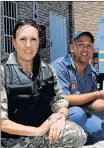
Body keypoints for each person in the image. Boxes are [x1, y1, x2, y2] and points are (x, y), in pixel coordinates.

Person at [1, 19, 87, 148]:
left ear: (39, 42)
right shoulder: (3, 71)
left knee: (76, 134)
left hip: (40, 134)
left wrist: (60, 117)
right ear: (14, 42)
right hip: (10, 141)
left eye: (33, 39)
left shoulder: (48, 70)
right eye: (23, 39)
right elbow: (2, 122)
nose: (28, 45)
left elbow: (59, 102)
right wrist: (38, 130)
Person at [51, 31, 104, 145]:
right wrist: (97, 94)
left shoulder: (91, 71)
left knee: (102, 131)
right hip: (58, 114)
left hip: (80, 113)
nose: (85, 49)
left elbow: (90, 104)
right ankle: (54, 142)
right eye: (80, 44)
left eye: (89, 45)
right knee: (78, 115)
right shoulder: (60, 66)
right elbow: (63, 98)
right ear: (72, 47)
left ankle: (74, 141)